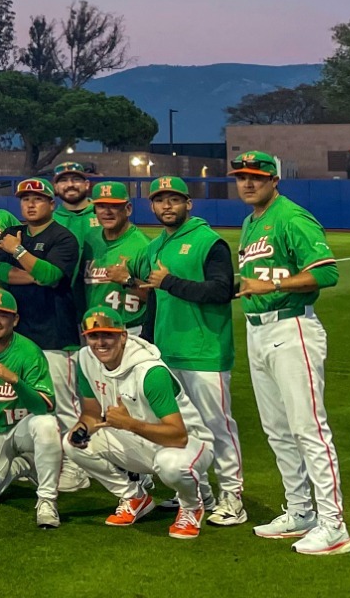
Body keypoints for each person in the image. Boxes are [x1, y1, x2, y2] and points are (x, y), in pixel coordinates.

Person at [106, 175, 246, 526]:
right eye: (159, 200)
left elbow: (220, 291)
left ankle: (233, 497)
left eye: (174, 199)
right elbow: (141, 280)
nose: (166, 206)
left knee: (217, 426)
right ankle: (196, 494)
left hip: (204, 351)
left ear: (188, 204)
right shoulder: (154, 247)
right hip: (167, 353)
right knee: (178, 426)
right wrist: (126, 279)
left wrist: (168, 282)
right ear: (151, 206)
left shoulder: (208, 242)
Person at [230, 151, 350, 555]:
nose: (247, 183)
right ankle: (301, 511)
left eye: (256, 177)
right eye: (241, 177)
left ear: (274, 179)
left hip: (292, 325)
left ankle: (333, 524)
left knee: (308, 428)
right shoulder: (250, 223)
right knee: (278, 431)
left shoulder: (292, 217)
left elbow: (328, 272)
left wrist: (274, 287)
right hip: (258, 332)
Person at [65, 310, 212, 540]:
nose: (100, 343)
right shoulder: (86, 359)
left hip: (189, 444)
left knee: (171, 465)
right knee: (72, 443)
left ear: (123, 336)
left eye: (108, 335)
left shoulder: (150, 372)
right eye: (93, 336)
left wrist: (130, 424)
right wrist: (83, 428)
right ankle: (134, 497)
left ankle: (192, 506)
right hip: (140, 439)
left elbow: (179, 436)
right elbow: (92, 413)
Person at [0, 177, 86, 491]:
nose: (30, 204)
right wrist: (32, 270)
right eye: (24, 199)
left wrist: (18, 252)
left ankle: (76, 468)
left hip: (57, 335)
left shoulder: (64, 237)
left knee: (64, 406)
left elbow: (50, 276)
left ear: (52, 203)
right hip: (23, 334)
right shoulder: (12, 234)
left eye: (37, 198)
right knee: (31, 402)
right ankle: (45, 463)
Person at [0, 289, 63, 528]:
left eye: (2, 315)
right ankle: (22, 465)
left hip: (24, 427)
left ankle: (47, 501)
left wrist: (14, 380)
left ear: (15, 320)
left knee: (46, 425)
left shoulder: (29, 352)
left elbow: (44, 407)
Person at [82, 182, 152, 335]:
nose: (107, 212)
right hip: (92, 326)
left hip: (129, 330)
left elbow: (158, 297)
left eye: (114, 206)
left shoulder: (144, 246)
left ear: (127, 209)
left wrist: (129, 280)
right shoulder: (90, 240)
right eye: (101, 206)